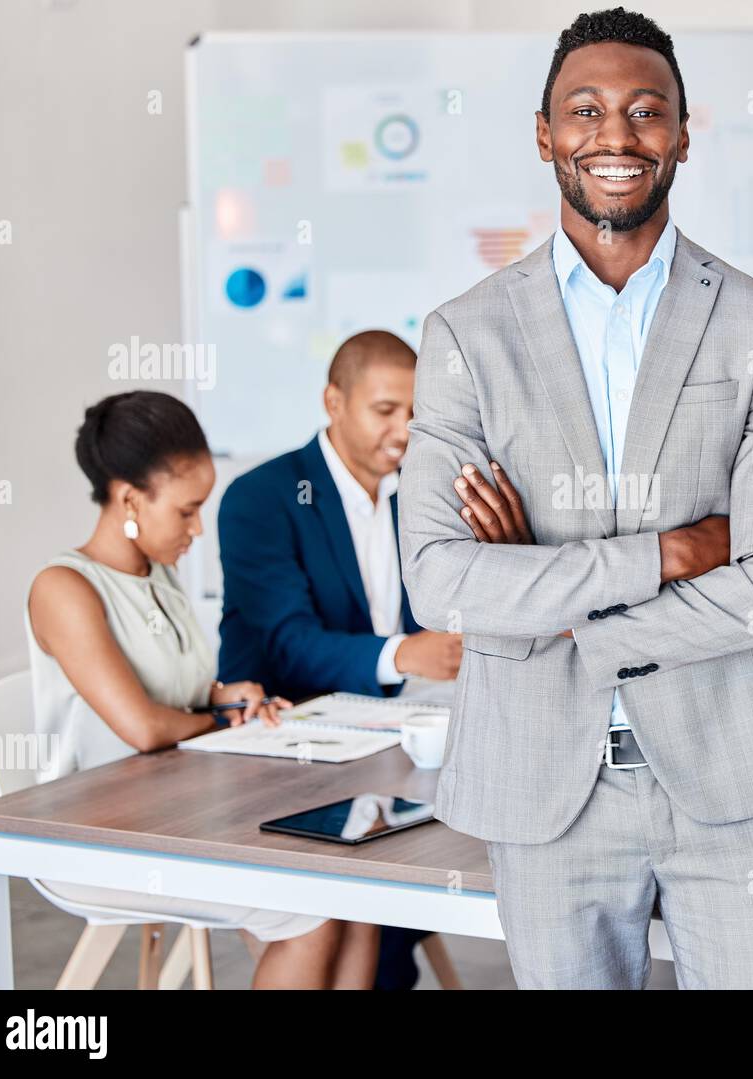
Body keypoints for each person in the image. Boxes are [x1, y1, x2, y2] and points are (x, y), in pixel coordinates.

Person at [398, 8, 753, 989]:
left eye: (646, 112)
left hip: (732, 772)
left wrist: (554, 603)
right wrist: (671, 552)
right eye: (584, 111)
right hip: (542, 784)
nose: (616, 136)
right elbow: (442, 583)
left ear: (682, 134)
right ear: (545, 134)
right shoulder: (465, 334)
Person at [26, 391, 379, 988]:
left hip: (178, 813)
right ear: (131, 498)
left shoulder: (159, 576)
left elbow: (176, 696)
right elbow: (144, 726)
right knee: (311, 913)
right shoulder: (64, 588)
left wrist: (226, 697)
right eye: (187, 511)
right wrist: (222, 720)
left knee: (360, 897)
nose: (197, 530)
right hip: (95, 836)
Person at [217, 330, 457, 989]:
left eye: (415, 412)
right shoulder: (262, 498)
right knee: (383, 883)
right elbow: (288, 643)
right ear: (333, 401)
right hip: (289, 757)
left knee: (459, 828)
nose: (405, 429)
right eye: (386, 410)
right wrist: (408, 652)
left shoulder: (419, 494)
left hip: (390, 745)